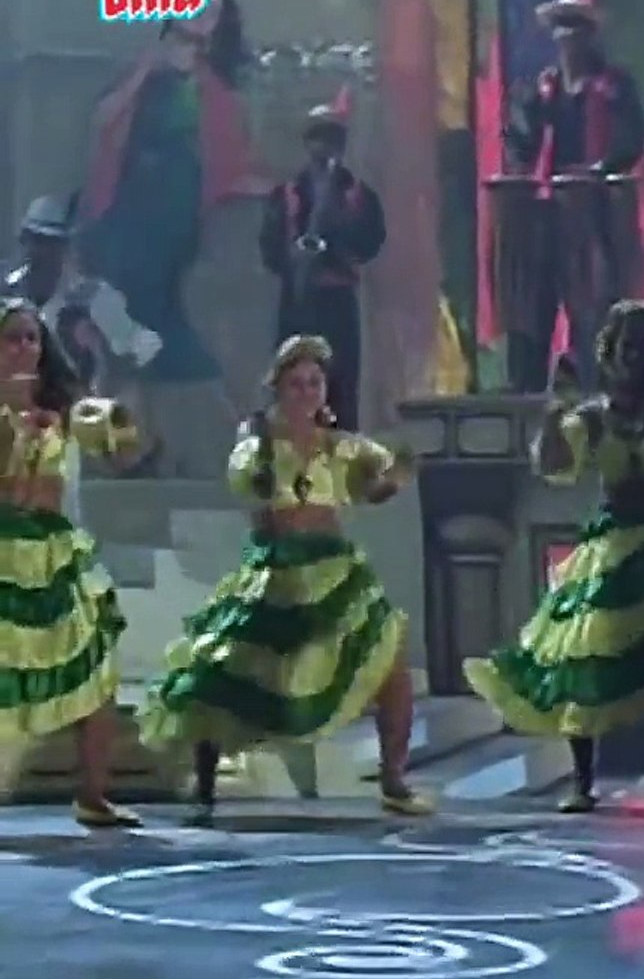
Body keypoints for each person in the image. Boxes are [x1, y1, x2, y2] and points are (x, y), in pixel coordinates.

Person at [464, 300, 644, 814]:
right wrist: (555, 411)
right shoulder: (594, 418)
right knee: (587, 662)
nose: (633, 356)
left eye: (643, 346)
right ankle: (583, 783)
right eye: (625, 346)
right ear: (609, 354)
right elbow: (555, 464)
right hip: (614, 547)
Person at [136, 335, 431, 823]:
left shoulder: (342, 446)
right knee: (222, 670)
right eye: (297, 383)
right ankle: (205, 781)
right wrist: (265, 454)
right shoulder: (259, 443)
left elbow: (375, 485)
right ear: (278, 387)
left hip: (336, 570)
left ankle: (394, 779)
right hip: (277, 571)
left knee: (389, 664)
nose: (307, 392)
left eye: (315, 382)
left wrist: (396, 475)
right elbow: (253, 489)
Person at [79, 0, 265, 474]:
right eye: (194, 10)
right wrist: (150, 64)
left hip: (176, 219)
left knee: (151, 334)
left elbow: (231, 152)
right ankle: (139, 446)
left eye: (211, 15)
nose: (200, 21)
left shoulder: (214, 89)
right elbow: (104, 123)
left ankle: (202, 438)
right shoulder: (149, 76)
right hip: (130, 217)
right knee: (131, 337)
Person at [0, 299, 144, 826]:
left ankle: (93, 794)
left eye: (32, 338)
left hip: (55, 552)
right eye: (12, 338)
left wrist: (109, 421)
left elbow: (124, 453)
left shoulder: (62, 407)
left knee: (96, 669)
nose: (24, 347)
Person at [502, 0, 644, 393]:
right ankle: (529, 394)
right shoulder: (544, 88)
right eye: (561, 26)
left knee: (593, 309)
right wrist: (519, 125)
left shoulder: (613, 86)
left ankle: (597, 389)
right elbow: (524, 146)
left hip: (595, 212)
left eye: (576, 26)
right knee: (535, 305)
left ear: (589, 34)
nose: (567, 36)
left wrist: (598, 171)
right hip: (549, 212)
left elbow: (631, 139)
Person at [258, 92, 386, 431]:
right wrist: (293, 257)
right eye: (317, 138)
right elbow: (268, 246)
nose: (323, 146)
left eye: (330, 139)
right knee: (291, 378)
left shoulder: (357, 193)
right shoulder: (286, 193)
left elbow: (371, 241)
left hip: (337, 301)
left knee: (340, 382)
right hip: (298, 300)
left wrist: (337, 233)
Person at [7, 195, 161, 393]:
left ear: (66, 247)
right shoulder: (6, 293)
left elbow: (145, 347)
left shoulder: (94, 297)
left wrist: (103, 353)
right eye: (36, 240)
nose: (42, 251)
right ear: (23, 240)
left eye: (52, 242)